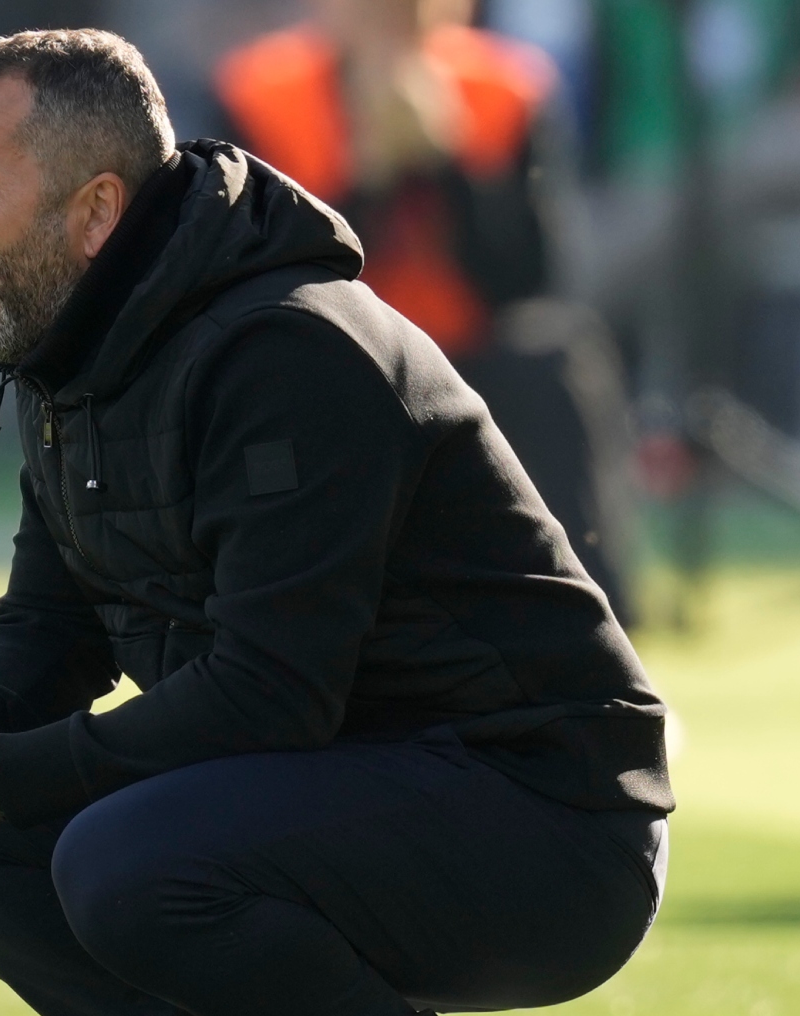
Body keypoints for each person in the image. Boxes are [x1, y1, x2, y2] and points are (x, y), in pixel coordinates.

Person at [0, 29, 671, 1016]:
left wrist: (0, 773)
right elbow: (55, 622)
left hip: (545, 827)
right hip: (350, 793)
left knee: (120, 859)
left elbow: (273, 694)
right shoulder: (87, 342)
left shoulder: (291, 348)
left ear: (95, 208)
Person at [212, 0, 640, 624]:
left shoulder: (505, 88)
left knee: (556, 353)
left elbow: (528, 277)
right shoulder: (260, 94)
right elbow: (247, 269)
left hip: (461, 351)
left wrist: (450, 164)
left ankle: (585, 609)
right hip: (325, 352)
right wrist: (367, 181)